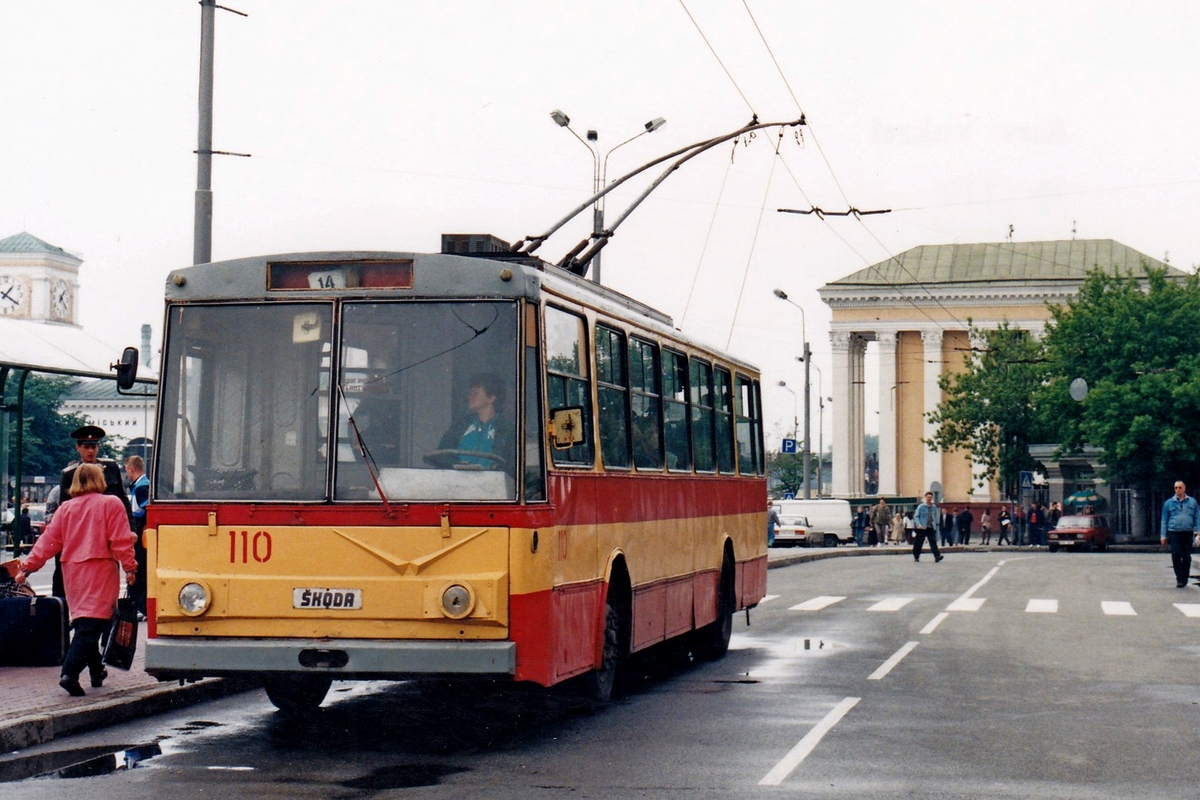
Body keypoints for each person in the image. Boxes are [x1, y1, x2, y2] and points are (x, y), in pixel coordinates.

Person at [14, 463, 137, 697]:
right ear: (100, 480)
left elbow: (48, 541)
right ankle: (69, 673)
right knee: (93, 625)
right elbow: (120, 540)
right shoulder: (111, 503)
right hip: (100, 568)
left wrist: (28, 567)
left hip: (72, 572)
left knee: (84, 621)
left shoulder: (65, 508)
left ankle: (96, 670)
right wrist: (130, 568)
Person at [54, 426, 132, 602]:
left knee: (106, 581)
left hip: (108, 533)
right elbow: (64, 508)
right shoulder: (70, 473)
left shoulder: (110, 468)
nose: (90, 451)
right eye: (86, 446)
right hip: (83, 535)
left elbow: (123, 499)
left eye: (94, 446)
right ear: (78, 448)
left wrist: (131, 529)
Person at [434, 374, 514, 470]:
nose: (470, 397)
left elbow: (512, 465)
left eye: (475, 393)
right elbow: (442, 455)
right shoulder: (460, 425)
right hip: (458, 482)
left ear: (491, 398)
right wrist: (455, 464)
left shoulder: (507, 429)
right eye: (470, 393)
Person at [1160, 480, 1200, 589]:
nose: (1178, 490)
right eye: (1176, 488)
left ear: (1184, 488)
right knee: (1176, 555)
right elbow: (1164, 519)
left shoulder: (1192, 502)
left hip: (1187, 532)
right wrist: (1163, 536)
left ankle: (1185, 576)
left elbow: (1197, 517)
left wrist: (1199, 532)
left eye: (1180, 487)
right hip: (1174, 532)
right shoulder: (1169, 503)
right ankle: (1179, 578)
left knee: (1186, 557)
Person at [125, 455, 150, 617]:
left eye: (127, 470)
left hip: (141, 536)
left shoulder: (141, 488)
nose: (127, 474)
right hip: (142, 535)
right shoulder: (144, 484)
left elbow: (144, 512)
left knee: (139, 570)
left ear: (132, 469)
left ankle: (141, 606)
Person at [912, 491, 944, 563]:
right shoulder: (921, 507)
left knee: (933, 542)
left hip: (930, 527)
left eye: (930, 497)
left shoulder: (934, 507)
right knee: (919, 543)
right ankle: (916, 556)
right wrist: (919, 524)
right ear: (925, 497)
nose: (929, 498)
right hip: (922, 527)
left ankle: (937, 556)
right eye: (928, 497)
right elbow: (916, 516)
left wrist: (936, 525)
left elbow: (935, 516)